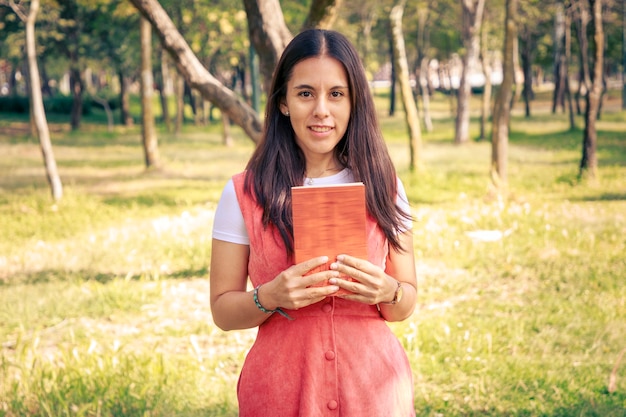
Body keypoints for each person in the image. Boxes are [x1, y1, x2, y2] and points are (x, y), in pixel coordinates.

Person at [210, 29, 417, 417]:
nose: (321, 109)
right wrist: (268, 297)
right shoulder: (243, 193)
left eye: (336, 94)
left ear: (354, 102)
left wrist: (388, 291)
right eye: (306, 93)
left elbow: (405, 303)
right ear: (284, 102)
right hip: (280, 391)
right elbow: (222, 311)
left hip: (374, 391)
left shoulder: (385, 186)